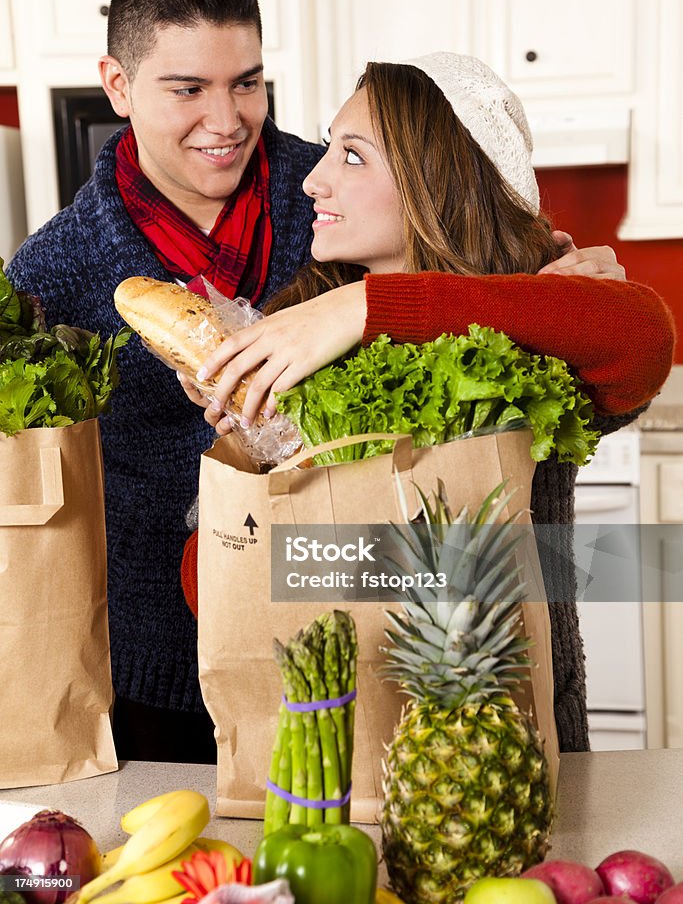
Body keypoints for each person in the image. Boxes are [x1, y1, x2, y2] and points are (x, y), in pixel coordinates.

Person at [3, 0, 643, 764]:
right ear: (118, 86)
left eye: (248, 83)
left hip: (429, 690)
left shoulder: (346, 209)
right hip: (154, 680)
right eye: (187, 88)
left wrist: (367, 310)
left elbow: (614, 339)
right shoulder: (53, 270)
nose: (224, 121)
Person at [181, 53, 675, 753]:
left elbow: (643, 336)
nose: (314, 178)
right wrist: (249, 457)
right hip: (338, 744)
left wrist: (367, 305)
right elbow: (217, 589)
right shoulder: (298, 333)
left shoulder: (530, 318)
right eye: (328, 148)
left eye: (352, 157)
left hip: (512, 739)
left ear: (434, 183)